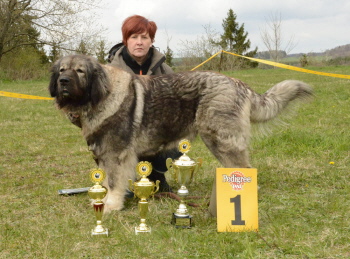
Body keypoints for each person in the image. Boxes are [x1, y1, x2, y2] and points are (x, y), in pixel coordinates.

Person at [108, 15, 180, 192]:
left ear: (152, 40)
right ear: (125, 40)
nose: (139, 42)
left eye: (144, 37)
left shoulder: (165, 70)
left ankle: (156, 176)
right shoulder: (108, 72)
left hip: (155, 132)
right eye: (134, 37)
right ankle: (119, 181)